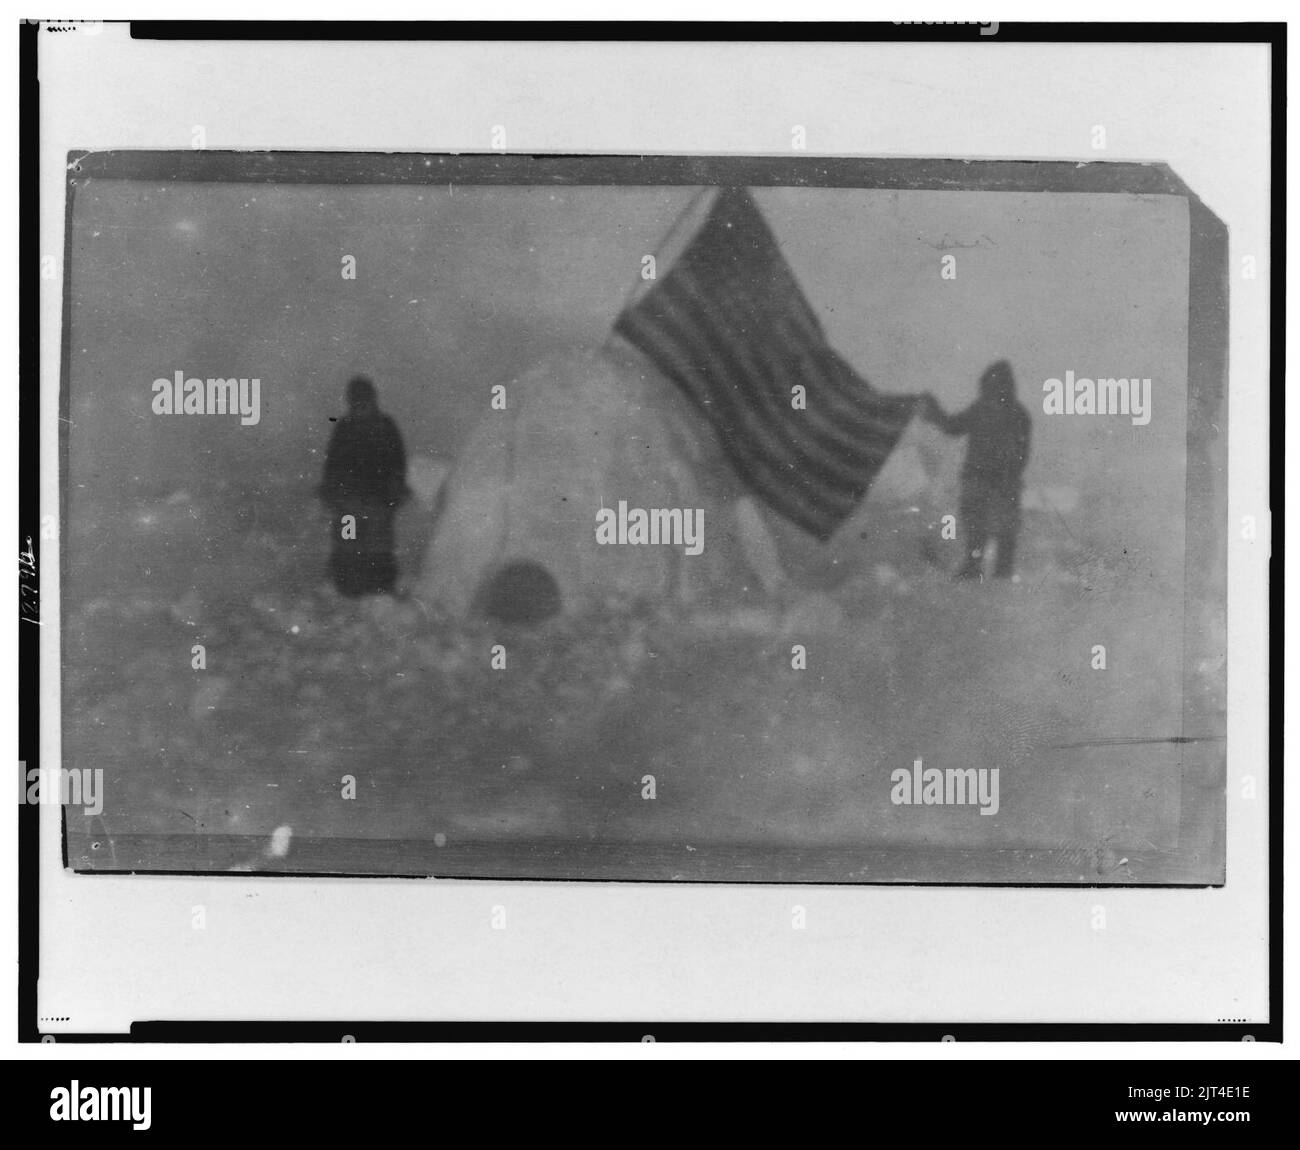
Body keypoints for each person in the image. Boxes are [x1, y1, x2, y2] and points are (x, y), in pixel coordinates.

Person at [922, 360, 1031, 580]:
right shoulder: (1016, 413)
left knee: (980, 528)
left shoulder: (984, 410)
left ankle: (976, 568)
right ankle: (996, 572)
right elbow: (1022, 452)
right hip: (998, 481)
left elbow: (952, 427)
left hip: (983, 479)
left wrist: (934, 413)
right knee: (998, 531)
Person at [318, 376, 411, 597]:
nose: (360, 406)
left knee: (377, 545)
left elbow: (397, 462)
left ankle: (378, 587)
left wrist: (394, 488)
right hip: (351, 502)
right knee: (349, 543)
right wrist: (333, 490)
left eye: (363, 401)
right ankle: (348, 585)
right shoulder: (346, 428)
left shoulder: (383, 427)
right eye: (356, 402)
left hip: (376, 501)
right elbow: (333, 464)